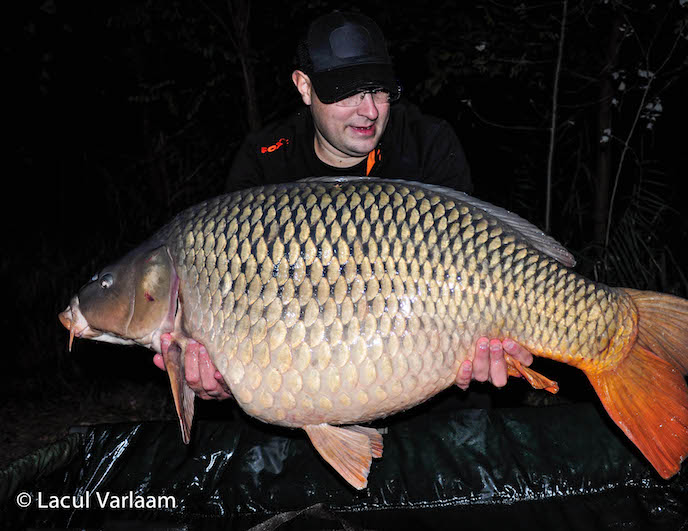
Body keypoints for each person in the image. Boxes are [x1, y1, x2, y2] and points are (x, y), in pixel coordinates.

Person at [153, 11, 534, 400]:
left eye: (379, 90)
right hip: (307, 393)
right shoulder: (264, 164)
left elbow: (482, 272)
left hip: (424, 392)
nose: (368, 110)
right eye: (346, 91)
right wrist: (226, 382)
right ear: (304, 87)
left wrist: (484, 348)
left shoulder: (427, 144)